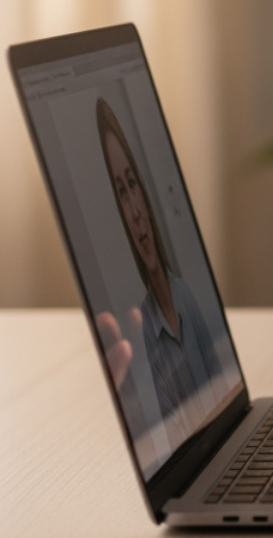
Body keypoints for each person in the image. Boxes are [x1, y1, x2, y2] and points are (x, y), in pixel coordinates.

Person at [95, 97, 221, 432]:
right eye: (121, 193)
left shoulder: (185, 295)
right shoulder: (142, 336)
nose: (135, 212)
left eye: (132, 184)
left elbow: (221, 385)